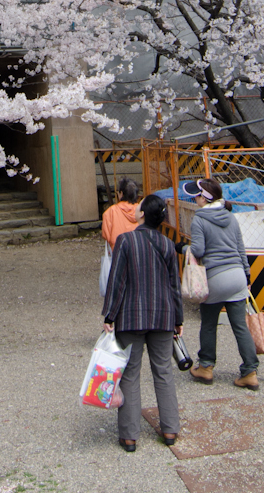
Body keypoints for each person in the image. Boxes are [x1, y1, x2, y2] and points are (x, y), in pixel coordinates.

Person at [102, 194, 182, 452]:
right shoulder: (168, 244)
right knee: (163, 372)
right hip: (163, 316)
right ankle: (170, 429)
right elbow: (174, 286)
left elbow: (117, 282)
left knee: (130, 374)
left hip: (131, 316)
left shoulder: (126, 241)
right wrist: (178, 319)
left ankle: (129, 436)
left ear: (143, 214)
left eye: (139, 206)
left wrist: (109, 315)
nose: (135, 208)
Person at [187, 178, 259, 390]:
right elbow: (240, 248)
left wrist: (184, 249)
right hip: (237, 276)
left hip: (215, 278)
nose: (194, 198)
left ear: (204, 198)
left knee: (209, 324)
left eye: (196, 195)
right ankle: (250, 372)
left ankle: (206, 367)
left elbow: (198, 251)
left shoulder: (199, 219)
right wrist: (246, 276)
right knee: (240, 326)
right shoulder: (231, 217)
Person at [99, 178, 142, 296]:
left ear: (121, 194)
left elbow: (106, 235)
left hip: (118, 255)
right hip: (140, 256)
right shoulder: (142, 211)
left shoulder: (110, 212)